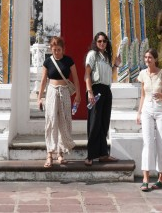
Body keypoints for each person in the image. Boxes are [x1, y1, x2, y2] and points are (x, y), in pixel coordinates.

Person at [136, 47, 162, 191]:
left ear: (155, 59)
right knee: (147, 143)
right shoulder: (142, 74)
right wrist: (139, 113)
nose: (147, 60)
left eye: (150, 58)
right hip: (147, 109)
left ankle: (161, 179)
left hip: (161, 110)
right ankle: (145, 178)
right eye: (146, 57)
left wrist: (161, 96)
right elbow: (142, 95)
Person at [36, 36, 80, 168]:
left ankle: (61, 153)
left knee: (64, 121)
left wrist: (78, 95)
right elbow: (43, 80)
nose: (56, 52)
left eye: (59, 50)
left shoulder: (68, 61)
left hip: (65, 92)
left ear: (63, 49)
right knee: (51, 121)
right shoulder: (48, 62)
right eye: (54, 50)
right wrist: (39, 97)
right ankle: (49, 154)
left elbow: (76, 78)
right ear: (51, 49)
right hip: (51, 91)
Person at [83, 31, 121, 166]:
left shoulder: (106, 57)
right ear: (95, 42)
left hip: (106, 90)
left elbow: (110, 76)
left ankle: (103, 154)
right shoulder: (92, 55)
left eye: (104, 41)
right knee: (94, 123)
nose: (102, 43)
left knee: (104, 123)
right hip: (96, 89)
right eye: (99, 41)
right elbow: (87, 75)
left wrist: (116, 65)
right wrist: (90, 92)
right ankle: (90, 156)